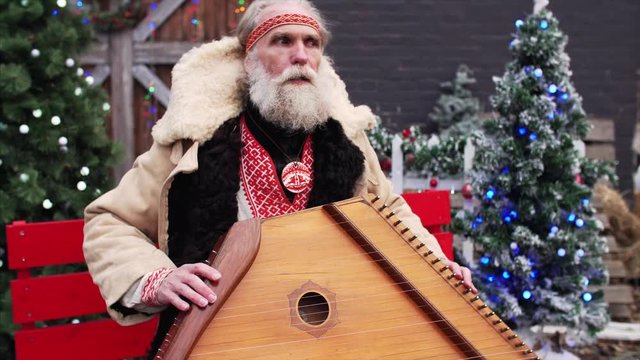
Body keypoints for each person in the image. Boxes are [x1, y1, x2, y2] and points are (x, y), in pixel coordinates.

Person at [83, 0, 477, 355]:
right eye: (283, 41)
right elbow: (110, 221)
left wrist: (437, 264)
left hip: (332, 332)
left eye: (312, 43)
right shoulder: (193, 142)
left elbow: (389, 212)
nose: (301, 56)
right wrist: (157, 278)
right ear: (249, 58)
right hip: (226, 335)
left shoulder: (346, 142)